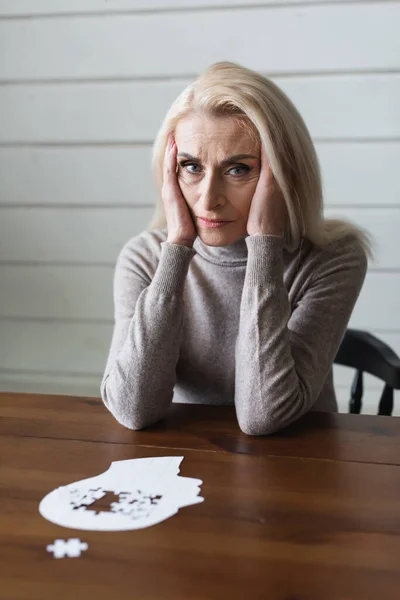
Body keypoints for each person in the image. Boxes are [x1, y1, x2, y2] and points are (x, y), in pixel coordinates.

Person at [100, 61, 374, 435]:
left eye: (238, 169)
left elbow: (264, 415)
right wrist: (177, 248)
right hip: (181, 466)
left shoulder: (332, 258)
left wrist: (264, 247)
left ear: (283, 172)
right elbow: (133, 409)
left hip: (300, 469)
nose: (208, 200)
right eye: (191, 166)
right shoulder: (146, 258)